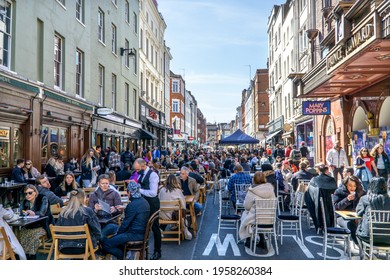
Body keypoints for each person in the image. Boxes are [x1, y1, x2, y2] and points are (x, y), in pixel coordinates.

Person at [101, 181, 150, 260]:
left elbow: (125, 224)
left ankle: (124, 258)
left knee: (106, 244)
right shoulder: (144, 202)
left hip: (134, 234)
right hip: (142, 233)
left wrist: (117, 235)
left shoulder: (132, 205)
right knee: (115, 241)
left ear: (129, 192)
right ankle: (125, 256)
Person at [55, 189, 101, 255]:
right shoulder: (87, 211)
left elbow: (57, 231)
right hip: (83, 247)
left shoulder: (63, 212)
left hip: (64, 248)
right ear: (83, 198)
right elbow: (97, 230)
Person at [132, 158, 161, 260]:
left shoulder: (153, 175)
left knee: (155, 227)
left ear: (143, 166)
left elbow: (153, 193)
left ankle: (157, 251)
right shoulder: (141, 173)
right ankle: (142, 250)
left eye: (138, 169)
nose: (136, 171)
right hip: (143, 203)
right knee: (142, 225)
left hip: (152, 204)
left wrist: (138, 190)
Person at [239, 171, 275, 253]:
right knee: (253, 215)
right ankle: (262, 238)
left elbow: (247, 207)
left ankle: (248, 239)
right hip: (270, 219)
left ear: (254, 180)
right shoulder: (271, 190)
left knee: (245, 214)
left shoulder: (252, 191)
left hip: (255, 219)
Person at [19, 185, 53, 259]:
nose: (27, 195)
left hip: (43, 225)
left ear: (35, 192)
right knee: (21, 233)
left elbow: (42, 213)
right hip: (29, 225)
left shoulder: (43, 198)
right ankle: (24, 255)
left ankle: (32, 256)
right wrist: (24, 213)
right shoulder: (25, 201)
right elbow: (21, 212)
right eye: (26, 194)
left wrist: (33, 213)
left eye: (30, 193)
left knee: (32, 235)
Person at [356, 177, 390, 245]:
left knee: (357, 232)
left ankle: (363, 254)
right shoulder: (388, 200)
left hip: (369, 235)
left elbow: (359, 213)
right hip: (388, 237)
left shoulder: (365, 199)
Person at [304, 163, 337, 232]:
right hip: (331, 203)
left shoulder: (314, 179)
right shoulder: (332, 180)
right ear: (327, 171)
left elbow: (309, 191)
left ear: (319, 171)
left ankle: (319, 225)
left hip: (317, 202)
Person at [333, 175, 365, 245]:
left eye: (354, 186)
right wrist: (347, 200)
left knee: (366, 227)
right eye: (350, 185)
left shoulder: (361, 193)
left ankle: (366, 246)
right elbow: (336, 207)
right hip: (342, 217)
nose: (352, 188)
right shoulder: (339, 192)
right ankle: (361, 248)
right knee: (351, 227)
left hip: (357, 217)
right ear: (346, 185)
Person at [158, 174, 192, 240]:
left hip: (162, 215)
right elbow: (183, 205)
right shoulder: (178, 191)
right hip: (174, 216)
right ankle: (184, 232)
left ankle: (162, 228)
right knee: (181, 212)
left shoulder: (162, 190)